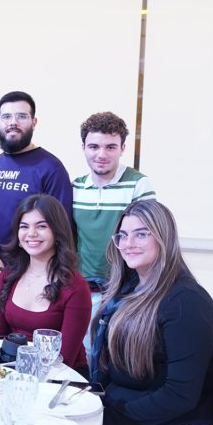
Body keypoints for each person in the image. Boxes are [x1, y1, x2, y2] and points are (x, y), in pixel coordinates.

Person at [30, 200, 213, 425]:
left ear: (163, 237)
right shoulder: (132, 287)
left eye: (141, 234)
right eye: (122, 235)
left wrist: (108, 418)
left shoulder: (186, 302)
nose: (128, 244)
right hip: (131, 409)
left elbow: (179, 396)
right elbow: (108, 365)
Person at [0, 194, 91, 375]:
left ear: (58, 232)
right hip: (13, 370)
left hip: (61, 377)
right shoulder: (7, 275)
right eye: (24, 227)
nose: (31, 234)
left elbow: (63, 359)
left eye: (41, 226)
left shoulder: (75, 286)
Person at [72, 111, 156, 299]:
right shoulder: (75, 187)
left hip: (126, 287)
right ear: (83, 147)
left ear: (122, 148)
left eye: (110, 147)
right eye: (94, 147)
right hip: (81, 285)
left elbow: (149, 239)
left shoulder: (138, 185)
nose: (101, 155)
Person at [0, 91, 72, 257]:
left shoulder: (51, 169)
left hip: (28, 271)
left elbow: (62, 229)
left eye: (21, 116)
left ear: (34, 122)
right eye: (6, 117)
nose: (13, 123)